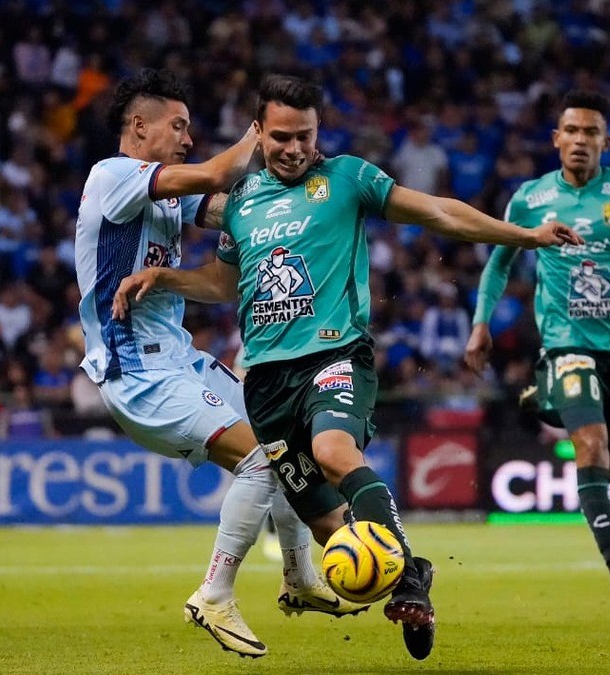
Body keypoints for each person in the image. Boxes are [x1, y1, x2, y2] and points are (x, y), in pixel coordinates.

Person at [112, 74, 582, 661]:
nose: (294, 149)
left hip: (335, 356)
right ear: (258, 133)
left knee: (336, 451)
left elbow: (438, 212)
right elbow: (222, 283)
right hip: (264, 382)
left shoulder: (348, 179)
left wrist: (527, 237)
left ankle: (405, 581)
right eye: (281, 137)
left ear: (319, 132)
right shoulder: (243, 202)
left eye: (305, 136)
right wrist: (165, 278)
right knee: (336, 534)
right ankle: (414, 575)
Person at [74, 69, 363, 660]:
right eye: (177, 125)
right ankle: (215, 593)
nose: (187, 136)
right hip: (138, 373)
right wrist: (265, 134)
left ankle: (299, 576)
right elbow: (217, 173)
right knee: (259, 457)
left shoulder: (162, 194)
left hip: (180, 359)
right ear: (138, 127)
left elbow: (233, 205)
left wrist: (310, 193)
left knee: (286, 446)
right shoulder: (112, 176)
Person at [464, 90, 610, 620]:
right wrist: (481, 323)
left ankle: (541, 398)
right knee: (588, 446)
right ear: (556, 139)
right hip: (567, 342)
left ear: (605, 143)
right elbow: (499, 264)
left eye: (592, 133)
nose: (581, 141)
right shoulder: (530, 198)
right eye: (572, 131)